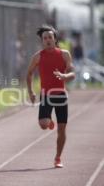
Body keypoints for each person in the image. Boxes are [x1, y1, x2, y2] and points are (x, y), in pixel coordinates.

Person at [26, 25, 75, 168]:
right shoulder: (38, 56)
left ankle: (58, 158)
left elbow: (72, 73)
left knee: (62, 130)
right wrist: (30, 92)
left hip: (60, 95)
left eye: (50, 37)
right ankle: (49, 122)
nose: (47, 40)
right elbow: (28, 74)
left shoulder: (64, 54)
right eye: (45, 38)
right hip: (46, 95)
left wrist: (64, 75)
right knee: (43, 125)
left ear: (54, 39)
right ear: (42, 41)